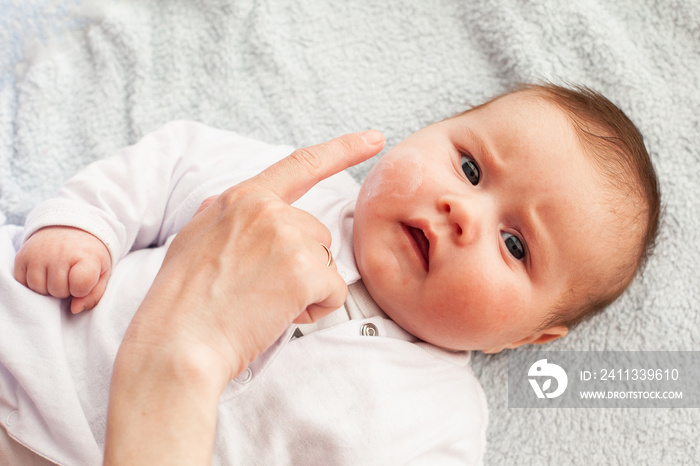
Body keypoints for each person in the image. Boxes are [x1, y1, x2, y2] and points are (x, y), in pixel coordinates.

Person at [3, 83, 660, 464]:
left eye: (515, 245)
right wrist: (84, 223)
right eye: (468, 168)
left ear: (527, 338)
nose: (463, 212)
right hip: (24, 342)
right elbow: (172, 163)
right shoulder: (299, 188)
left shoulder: (442, 428)